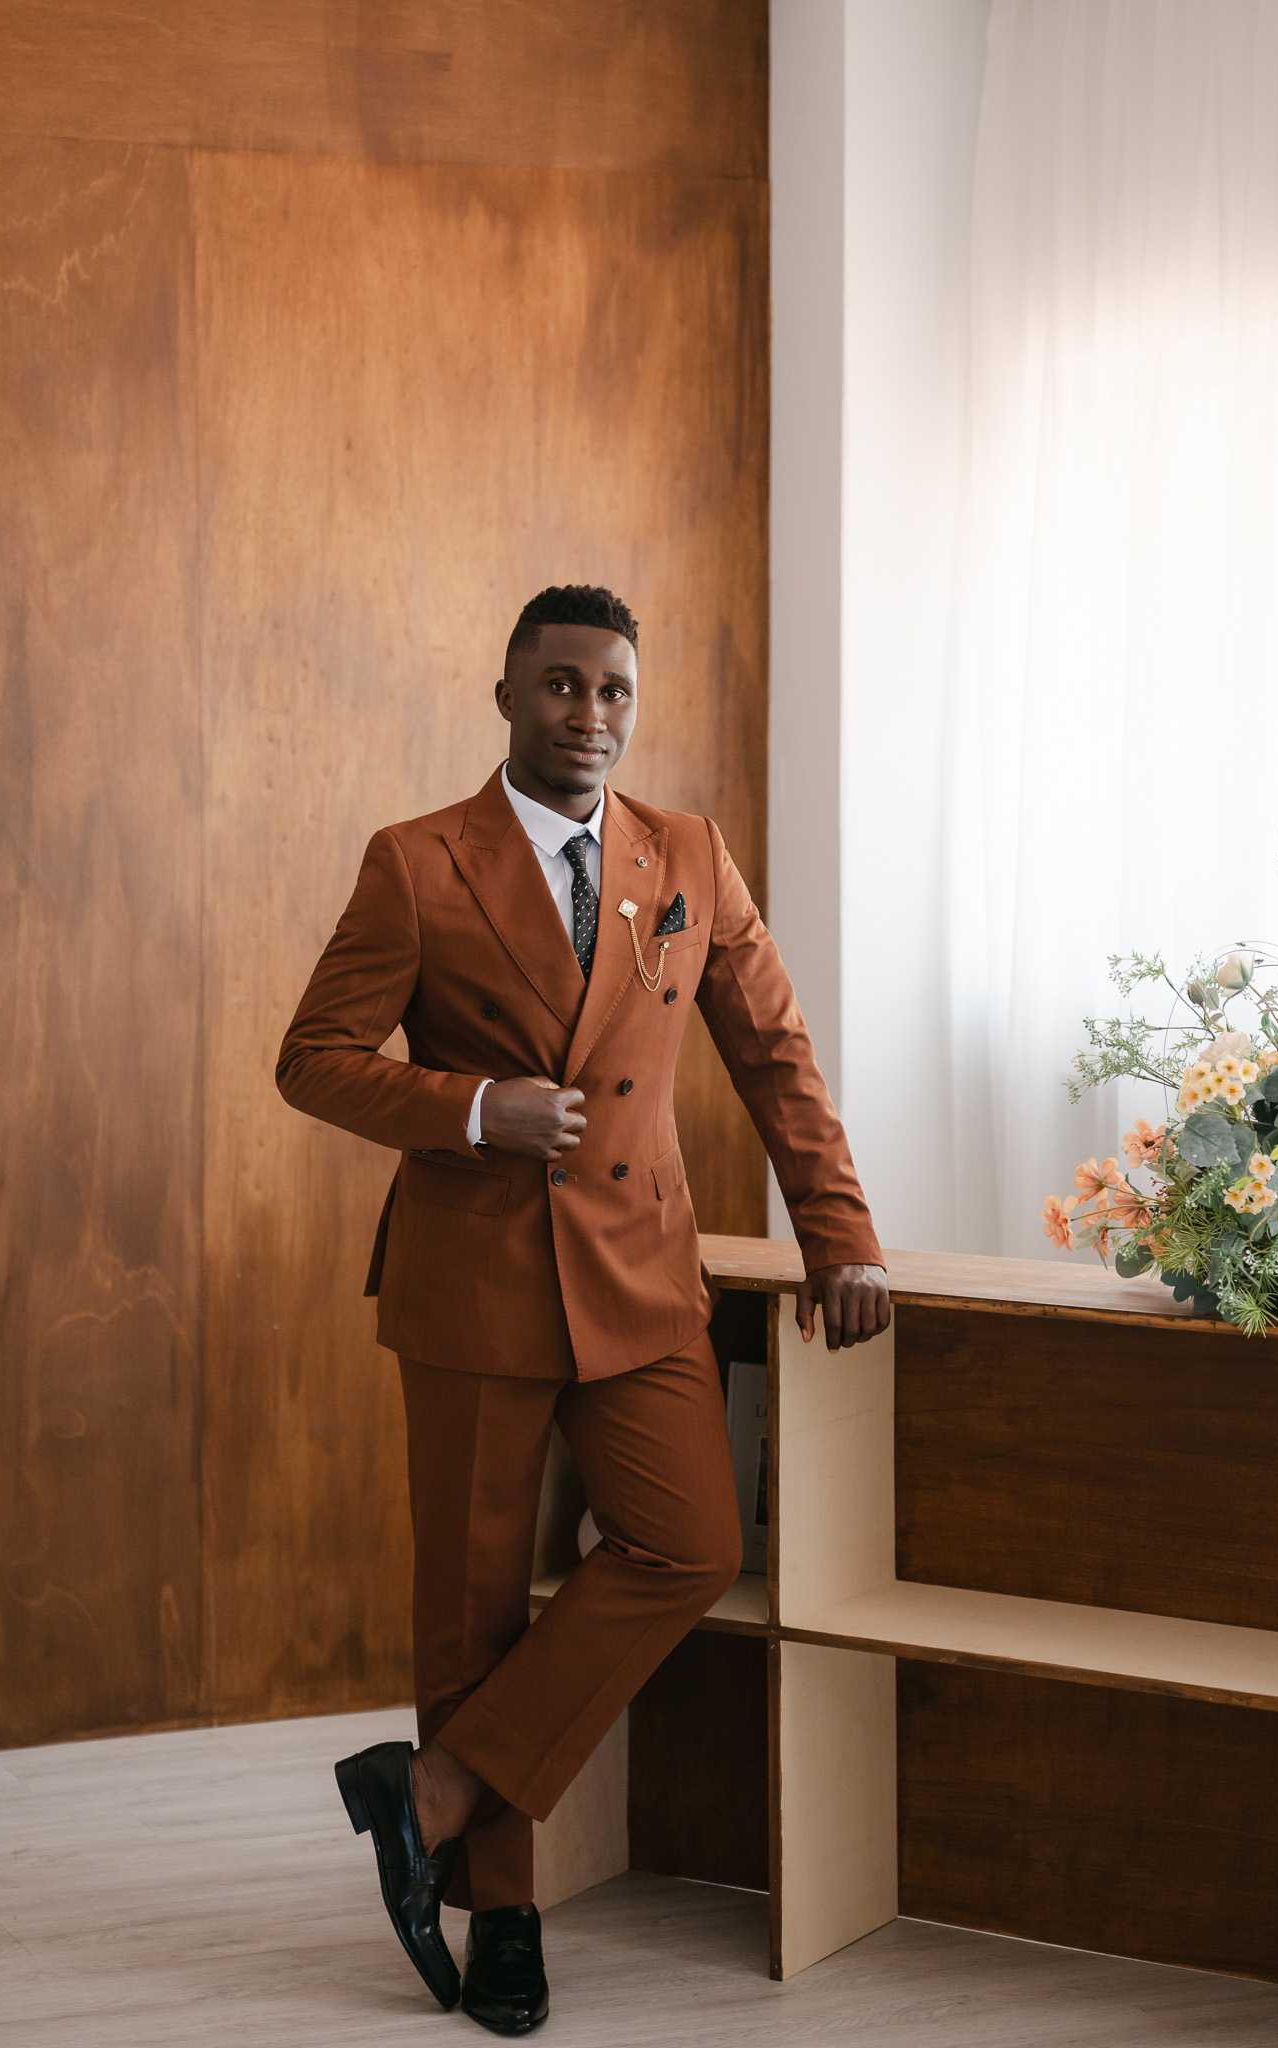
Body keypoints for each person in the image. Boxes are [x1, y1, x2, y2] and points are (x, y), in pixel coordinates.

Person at [276, 584, 889, 2034]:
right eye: (561, 685)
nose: (590, 715)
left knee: (690, 1543)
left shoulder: (688, 854)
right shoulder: (417, 861)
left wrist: (839, 1233)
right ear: (506, 694)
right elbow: (313, 1057)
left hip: (637, 1272)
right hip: (472, 1284)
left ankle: (433, 1793)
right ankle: (502, 1914)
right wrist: (474, 1108)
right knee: (471, 1611)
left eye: (613, 689)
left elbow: (776, 1054)